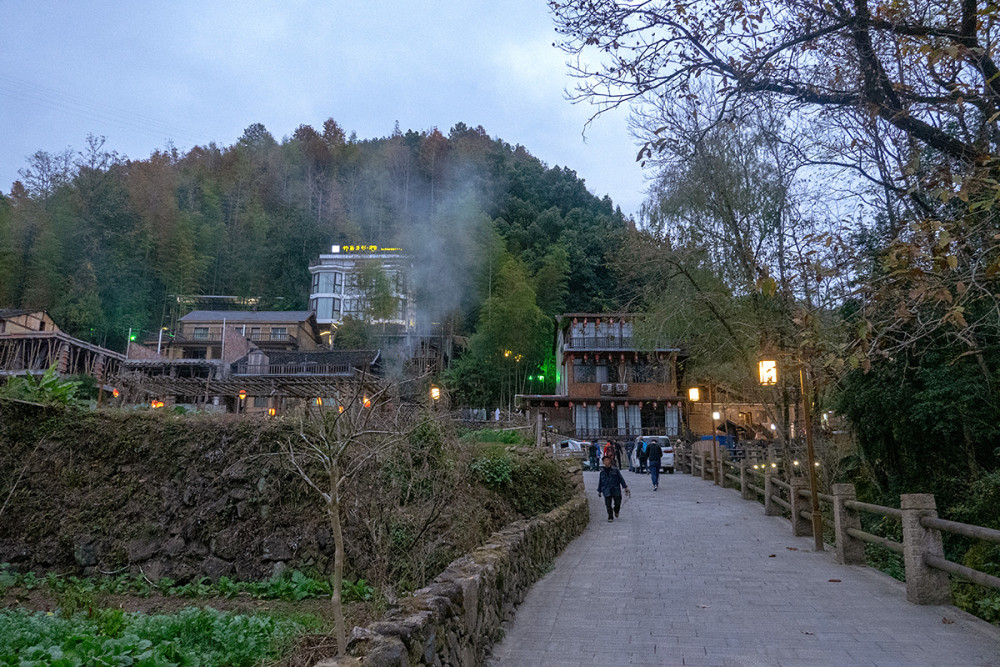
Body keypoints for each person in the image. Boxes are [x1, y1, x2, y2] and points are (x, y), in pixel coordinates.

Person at [597, 455, 630, 522]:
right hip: (606, 489)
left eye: (607, 460)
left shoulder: (615, 470)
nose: (606, 462)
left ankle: (616, 510)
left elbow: (621, 479)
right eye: (605, 461)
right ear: (603, 462)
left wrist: (625, 487)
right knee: (608, 504)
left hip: (615, 488)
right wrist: (599, 491)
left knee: (618, 503)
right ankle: (610, 516)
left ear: (610, 461)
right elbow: (600, 482)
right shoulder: (602, 472)